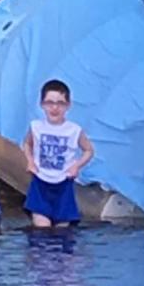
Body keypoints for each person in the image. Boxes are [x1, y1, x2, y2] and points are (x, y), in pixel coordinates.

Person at [23, 79, 94, 228]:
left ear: (68, 105)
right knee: (42, 229)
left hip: (64, 183)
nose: (54, 108)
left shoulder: (74, 130)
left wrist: (76, 166)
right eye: (49, 103)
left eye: (60, 103)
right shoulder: (36, 127)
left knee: (62, 231)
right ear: (42, 104)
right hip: (40, 181)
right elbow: (27, 144)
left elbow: (89, 150)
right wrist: (30, 161)